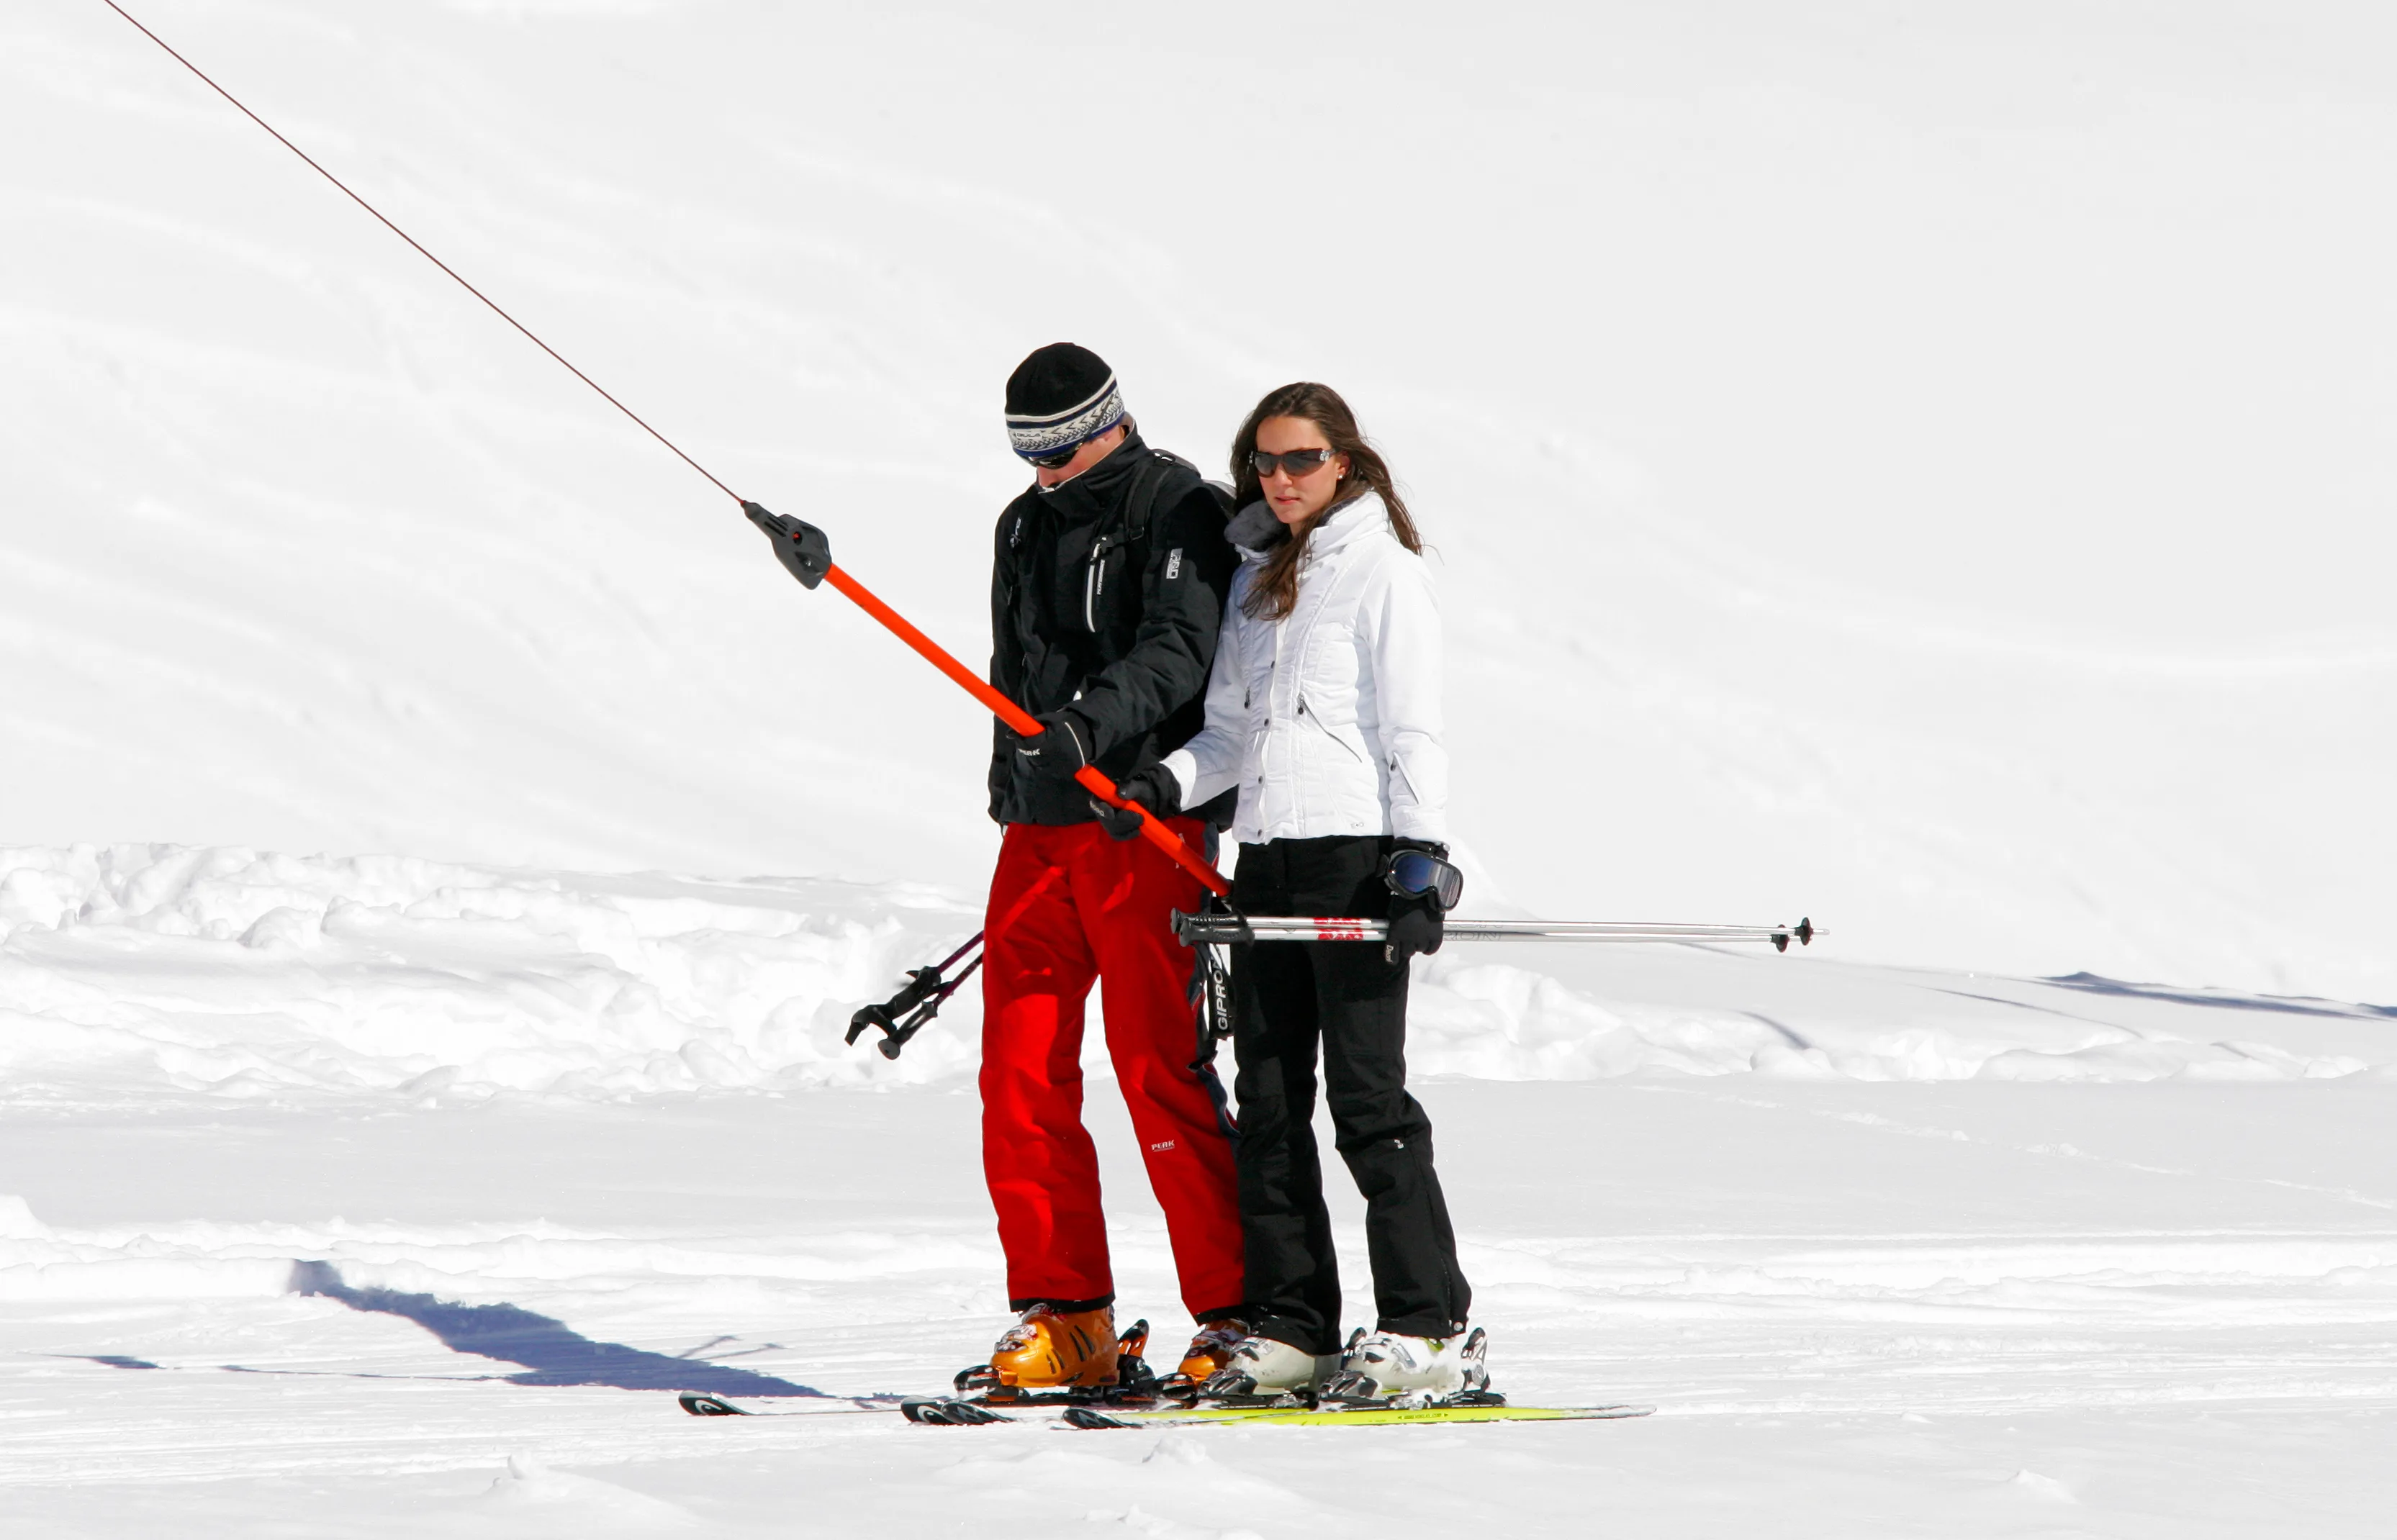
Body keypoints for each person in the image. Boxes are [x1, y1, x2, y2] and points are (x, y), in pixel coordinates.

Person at [1108, 381, 1481, 1402]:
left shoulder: (1384, 575)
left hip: (1351, 856)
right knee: (1269, 1106)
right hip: (1263, 860)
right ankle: (1294, 1326)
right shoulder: (1256, 573)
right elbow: (1227, 736)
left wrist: (1419, 857)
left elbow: (1413, 729)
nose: (1280, 480)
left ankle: (1426, 1325)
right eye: (1265, 463)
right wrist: (1158, 787)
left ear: (1345, 462)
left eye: (1300, 461)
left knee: (1366, 1101)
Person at [967, 342, 1251, 1396]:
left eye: (1057, 448)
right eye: (1023, 452)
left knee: (1154, 1066)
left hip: (1140, 826)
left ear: (1108, 422)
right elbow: (1018, 663)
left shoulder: (1177, 508)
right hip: (1039, 833)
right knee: (1018, 1070)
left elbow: (1181, 650)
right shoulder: (1022, 521)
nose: (1042, 471)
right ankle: (1067, 1312)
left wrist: (1087, 732)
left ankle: (1235, 1315)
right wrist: (1018, 781)